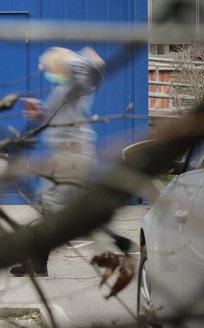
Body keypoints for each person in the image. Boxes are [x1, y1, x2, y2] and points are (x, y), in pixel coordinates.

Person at [9, 46, 134, 277]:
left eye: (49, 67)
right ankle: (123, 244)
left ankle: (37, 263)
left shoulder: (74, 87)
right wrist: (39, 113)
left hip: (70, 157)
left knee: (49, 209)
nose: (47, 70)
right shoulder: (64, 90)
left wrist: (75, 59)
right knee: (79, 211)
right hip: (71, 156)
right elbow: (57, 117)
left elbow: (89, 74)